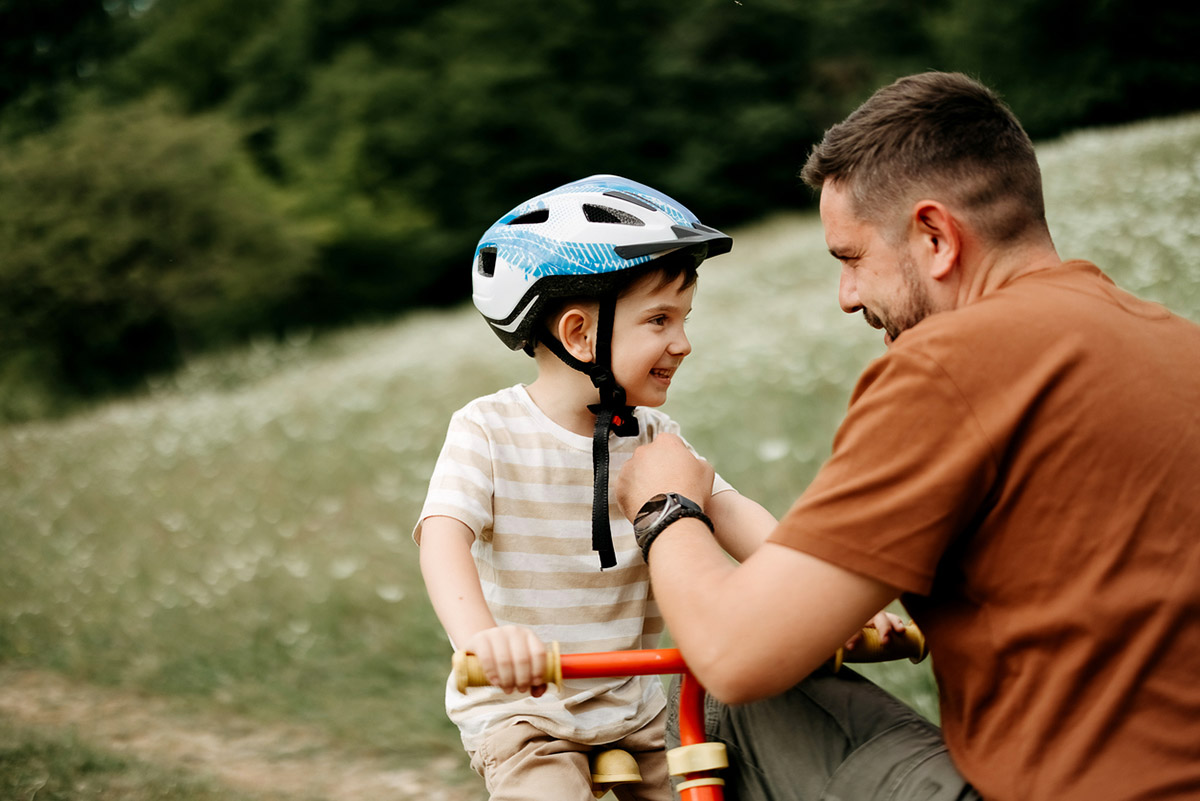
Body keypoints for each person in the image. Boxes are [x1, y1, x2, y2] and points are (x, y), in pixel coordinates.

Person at [615, 72, 1200, 801]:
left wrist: (666, 507)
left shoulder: (951, 364)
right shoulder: (1178, 343)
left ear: (935, 236)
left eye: (851, 258)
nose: (848, 297)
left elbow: (736, 650)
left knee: (706, 689)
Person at [414, 175, 778, 800]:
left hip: (634, 702)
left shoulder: (657, 437)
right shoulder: (489, 429)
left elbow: (730, 511)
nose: (683, 344)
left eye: (684, 320)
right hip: (526, 710)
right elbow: (442, 537)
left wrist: (816, 589)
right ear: (581, 334)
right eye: (660, 320)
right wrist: (482, 642)